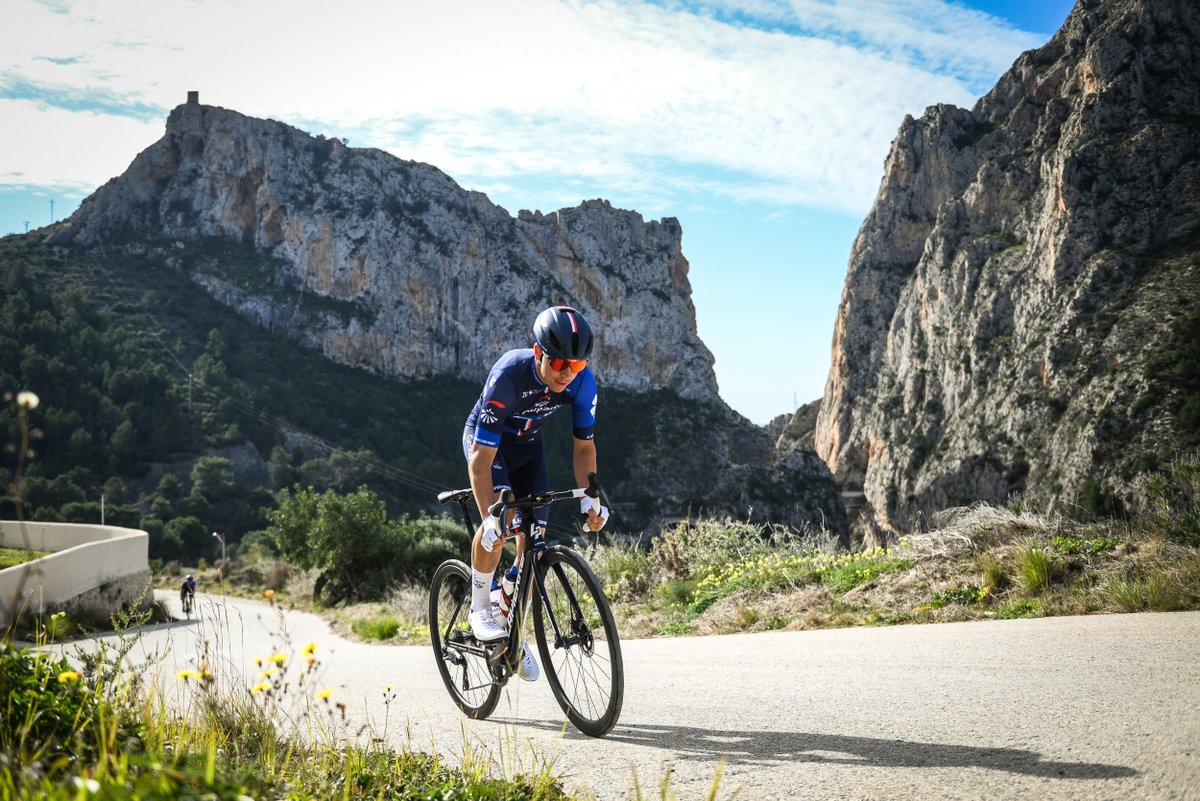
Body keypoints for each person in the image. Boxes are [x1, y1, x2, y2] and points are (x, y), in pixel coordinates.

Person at [462, 305, 610, 681]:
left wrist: (590, 499)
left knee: (534, 543)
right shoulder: (509, 376)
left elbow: (584, 448)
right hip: (490, 449)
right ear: (539, 352)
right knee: (501, 525)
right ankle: (480, 606)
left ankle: (515, 630)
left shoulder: (581, 382)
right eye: (560, 362)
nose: (566, 373)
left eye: (576, 365)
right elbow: (480, 462)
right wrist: (490, 518)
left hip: (528, 450)